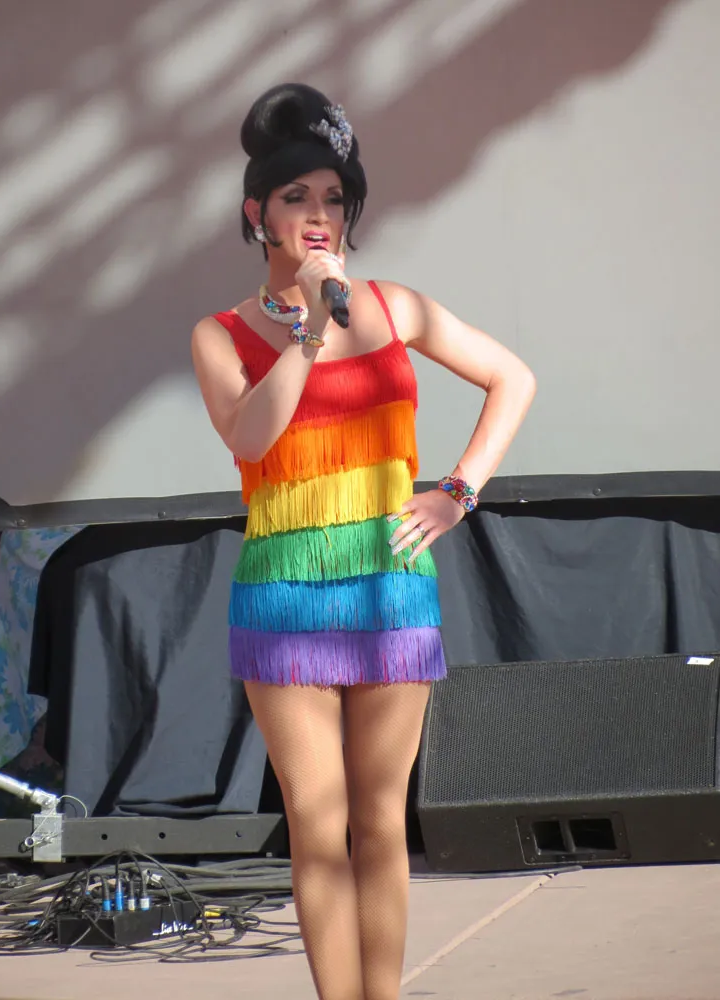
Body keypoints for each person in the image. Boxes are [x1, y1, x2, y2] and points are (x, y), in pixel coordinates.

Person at [191, 83, 536, 1000]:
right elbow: (250, 438)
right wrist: (307, 329)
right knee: (317, 823)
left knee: (383, 820)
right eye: (296, 197)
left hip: (391, 585)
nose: (319, 215)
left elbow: (512, 377)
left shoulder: (397, 306)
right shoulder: (220, 335)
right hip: (284, 594)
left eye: (334, 198)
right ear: (256, 213)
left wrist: (458, 492)